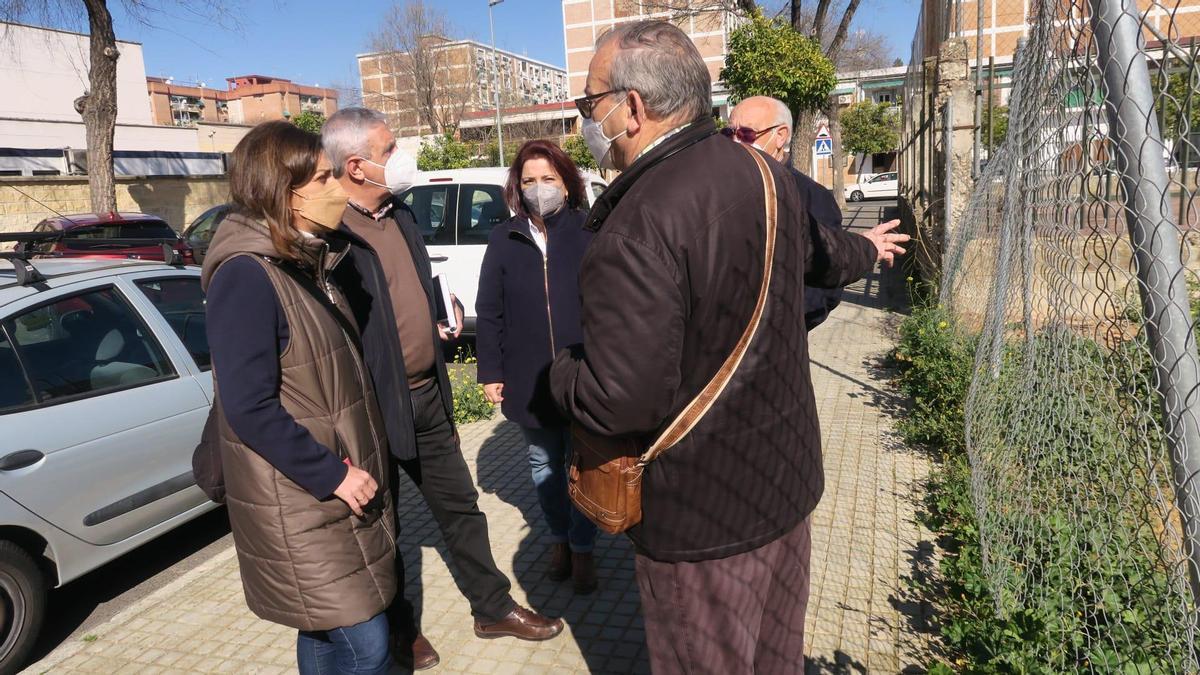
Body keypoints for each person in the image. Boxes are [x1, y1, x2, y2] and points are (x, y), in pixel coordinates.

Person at [549, 21, 909, 673]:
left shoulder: (634, 226)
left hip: (698, 524)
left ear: (632, 108)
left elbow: (623, 398)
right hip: (784, 487)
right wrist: (870, 250)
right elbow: (824, 253)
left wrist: (559, 373)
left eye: (589, 103)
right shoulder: (764, 174)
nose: (586, 121)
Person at [320, 108, 565, 671]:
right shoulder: (333, 232)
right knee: (385, 527)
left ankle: (493, 607)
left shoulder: (399, 213)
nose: (401, 154)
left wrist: (436, 311)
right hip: (373, 408)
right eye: (390, 147)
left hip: (426, 393)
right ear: (356, 165)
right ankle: (400, 628)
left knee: (461, 507)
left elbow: (411, 282)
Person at [202, 121, 396, 675]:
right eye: (321, 177)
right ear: (282, 192)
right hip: (299, 499)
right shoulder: (247, 275)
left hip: (327, 496)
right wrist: (333, 473)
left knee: (325, 632)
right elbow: (248, 407)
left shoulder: (302, 260)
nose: (335, 185)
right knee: (367, 644)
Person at [475, 139, 599, 595]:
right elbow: (489, 310)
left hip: (584, 375)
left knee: (584, 468)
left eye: (548, 178)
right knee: (543, 467)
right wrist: (491, 371)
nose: (539, 188)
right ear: (516, 186)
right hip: (529, 379)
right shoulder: (504, 237)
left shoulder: (589, 231)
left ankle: (585, 547)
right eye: (529, 180)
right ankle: (559, 538)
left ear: (567, 182)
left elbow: (609, 304)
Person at [728, 95, 850, 330]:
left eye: (745, 134)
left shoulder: (812, 197)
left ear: (780, 136)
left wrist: (778, 325)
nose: (734, 142)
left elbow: (826, 284)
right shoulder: (718, 187)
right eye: (728, 134)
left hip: (776, 345)